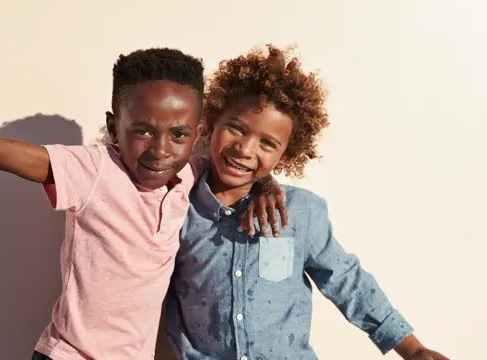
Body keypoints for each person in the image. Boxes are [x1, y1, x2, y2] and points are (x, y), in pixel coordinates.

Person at [0, 34, 287, 360]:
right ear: (115, 126)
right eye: (142, 130)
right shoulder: (92, 170)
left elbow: (241, 164)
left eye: (178, 135)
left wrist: (266, 185)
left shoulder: (191, 172)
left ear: (197, 133)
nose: (160, 150)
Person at [164, 44, 448, 360]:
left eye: (267, 143)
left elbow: (347, 282)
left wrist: (412, 348)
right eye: (236, 128)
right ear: (213, 121)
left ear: (285, 155)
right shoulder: (175, 208)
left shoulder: (302, 214)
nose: (245, 148)